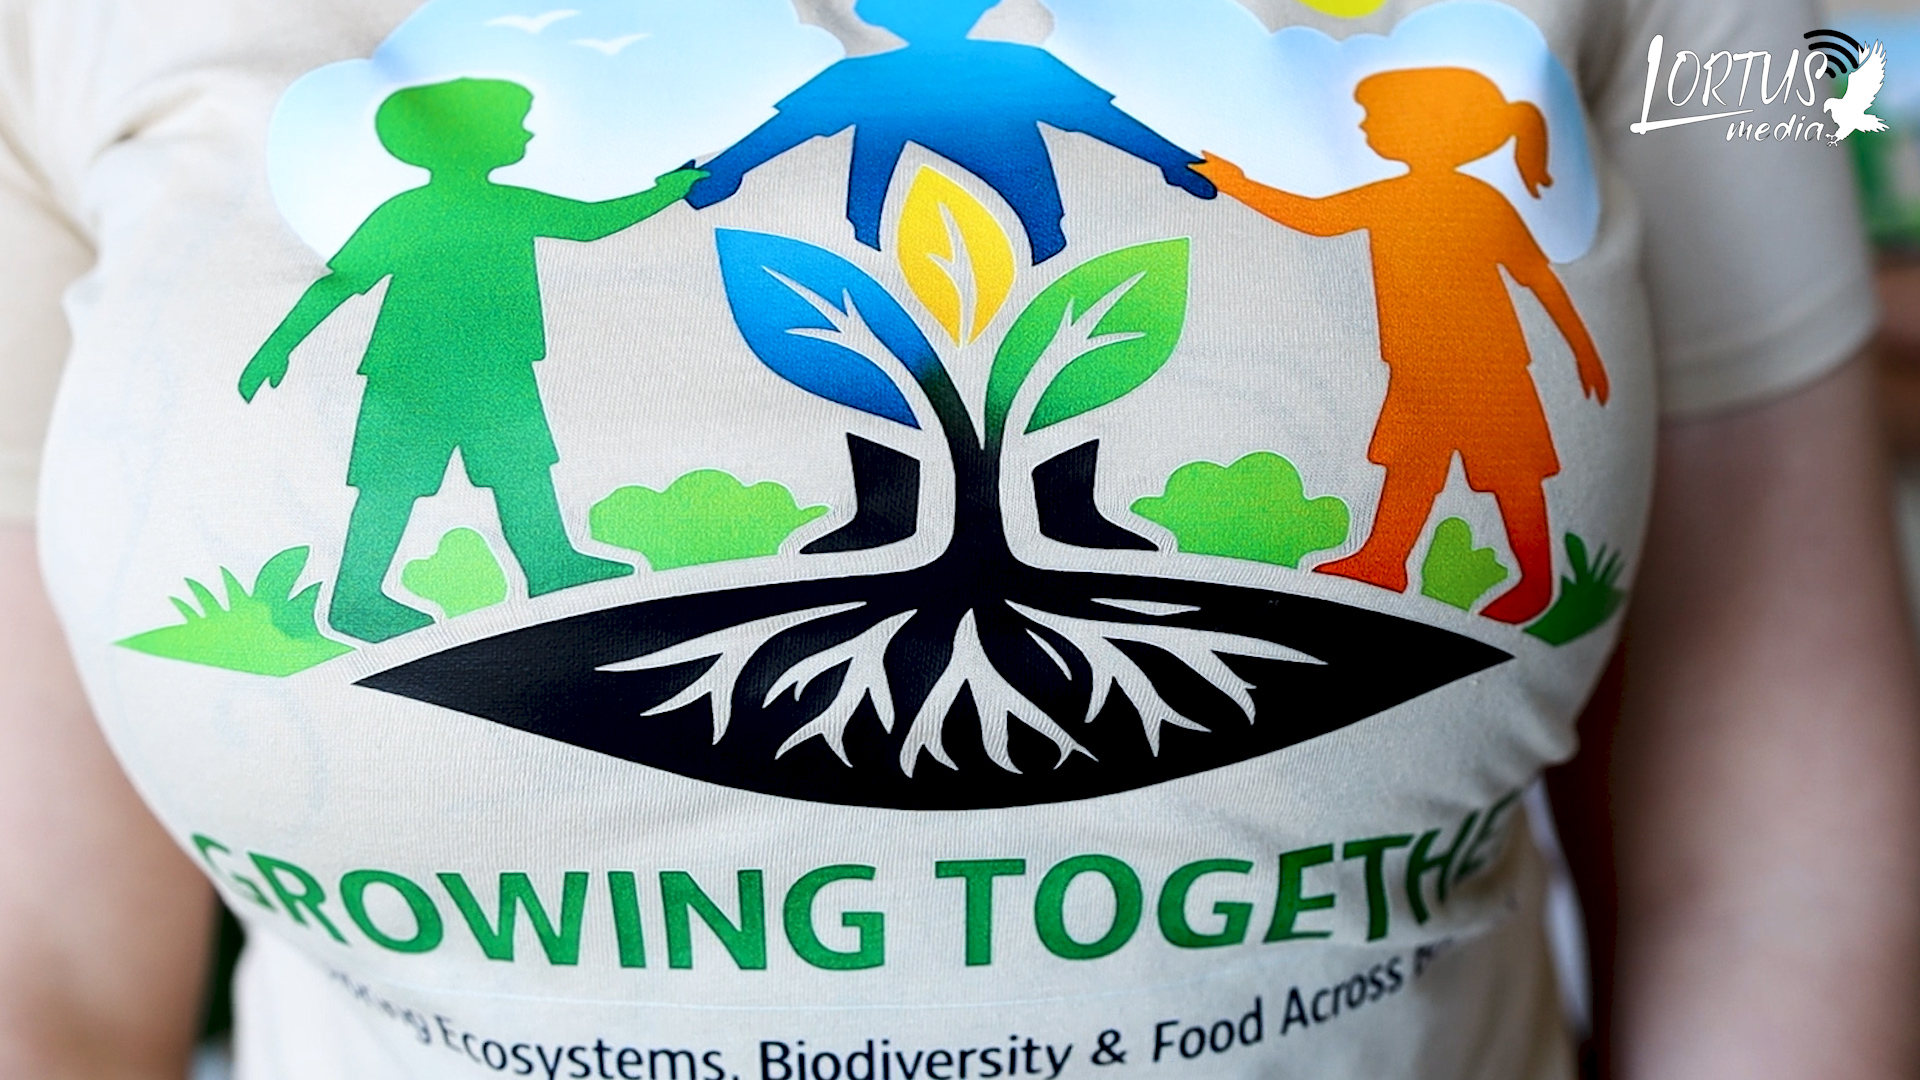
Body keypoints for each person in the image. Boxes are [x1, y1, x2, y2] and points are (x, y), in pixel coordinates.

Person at [2, 1, 1916, 1079]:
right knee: (455, 509)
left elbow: (1778, 874)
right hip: (474, 381)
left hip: (1417, 372)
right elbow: (43, 953)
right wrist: (722, 184)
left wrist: (1180, 177)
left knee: (1421, 486)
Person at [240, 78, 705, 643]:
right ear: (473, 139)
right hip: (412, 376)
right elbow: (341, 282)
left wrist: (668, 191)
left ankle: (551, 565)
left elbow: (589, 224)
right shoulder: (421, 212)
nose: (526, 133)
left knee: (520, 468)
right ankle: (356, 600)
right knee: (393, 484)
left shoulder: (487, 205)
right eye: (514, 124)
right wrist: (276, 346)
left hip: (494, 366)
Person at [1197, 67, 1608, 624]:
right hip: (1418, 367)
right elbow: (1316, 218)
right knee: (1411, 464)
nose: (1365, 126)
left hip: (1490, 367)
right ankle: (1384, 560)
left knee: (1513, 474)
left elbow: (1537, 277)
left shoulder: (1477, 201)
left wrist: (1583, 350)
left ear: (1427, 127)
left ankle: (1535, 581)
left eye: (1376, 117)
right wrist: (1236, 183)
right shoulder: (1391, 197)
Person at [686, 0, 1217, 262]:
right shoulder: (869, 76)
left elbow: (1103, 120)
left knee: (1040, 258)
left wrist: (1175, 162)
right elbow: (786, 129)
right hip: (893, 223)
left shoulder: (1017, 66)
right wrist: (725, 170)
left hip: (1022, 209)